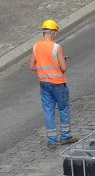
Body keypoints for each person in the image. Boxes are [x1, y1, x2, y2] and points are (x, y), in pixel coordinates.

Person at [29, 19, 75, 148]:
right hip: (58, 84)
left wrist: (43, 67)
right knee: (63, 109)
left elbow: (32, 66)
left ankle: (52, 140)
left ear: (44, 32)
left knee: (49, 111)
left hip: (44, 84)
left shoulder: (36, 46)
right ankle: (65, 136)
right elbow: (63, 68)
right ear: (53, 32)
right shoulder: (56, 47)